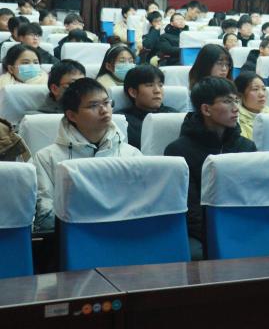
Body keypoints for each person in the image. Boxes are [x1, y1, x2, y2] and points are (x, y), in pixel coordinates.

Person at [32, 77, 142, 232]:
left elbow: (142, 204)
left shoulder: (131, 154)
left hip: (125, 233)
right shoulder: (46, 158)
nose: (104, 110)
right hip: (70, 235)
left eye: (106, 102)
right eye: (93, 105)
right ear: (72, 115)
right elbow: (45, 214)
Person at [164, 77, 256, 259]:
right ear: (206, 109)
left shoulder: (246, 146)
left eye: (236, 101)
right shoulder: (178, 151)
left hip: (242, 225)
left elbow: (254, 195)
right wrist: (221, 234)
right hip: (200, 232)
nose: (236, 108)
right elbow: (189, 209)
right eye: (227, 101)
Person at [122, 65, 175, 147]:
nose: (157, 91)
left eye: (160, 85)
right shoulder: (123, 121)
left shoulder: (174, 115)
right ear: (133, 92)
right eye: (150, 85)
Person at [235, 70, 269, 141]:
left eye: (264, 89)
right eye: (255, 89)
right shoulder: (235, 119)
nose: (262, 94)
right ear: (240, 95)